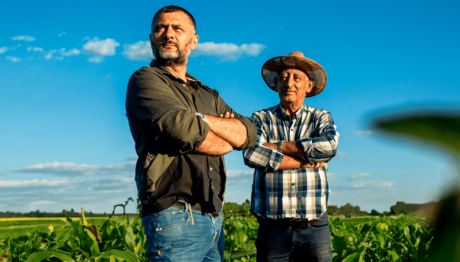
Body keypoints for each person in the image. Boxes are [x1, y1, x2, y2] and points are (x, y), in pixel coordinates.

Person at [125, 6, 257, 261]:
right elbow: (182, 130)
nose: (168, 34)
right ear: (151, 38)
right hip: (173, 215)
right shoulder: (145, 80)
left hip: (213, 217)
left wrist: (202, 119)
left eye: (177, 28)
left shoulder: (208, 94)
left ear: (194, 41)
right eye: (160, 28)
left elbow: (248, 132)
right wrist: (227, 137)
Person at [243, 51, 339, 262]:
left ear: (309, 85)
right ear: (276, 84)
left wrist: (277, 146)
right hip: (272, 229)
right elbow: (251, 153)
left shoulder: (320, 117)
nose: (289, 83)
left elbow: (329, 147)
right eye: (284, 78)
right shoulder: (260, 118)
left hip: (314, 226)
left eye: (297, 78)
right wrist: (304, 161)